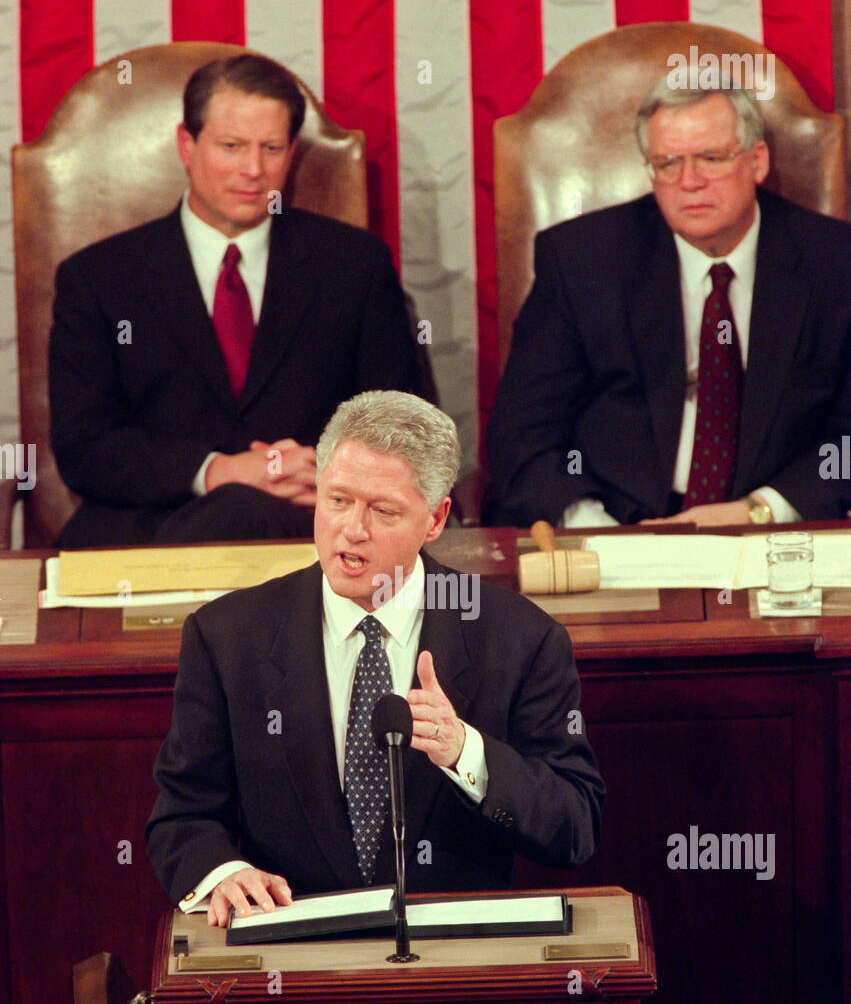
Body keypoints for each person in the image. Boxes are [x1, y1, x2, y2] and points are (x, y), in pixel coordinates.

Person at [146, 390, 604, 924]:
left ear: (435, 520)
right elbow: (181, 815)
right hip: (293, 962)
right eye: (337, 500)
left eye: (383, 510)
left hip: (456, 967)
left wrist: (466, 752)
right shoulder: (227, 637)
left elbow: (575, 825)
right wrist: (224, 872)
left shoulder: (520, 639)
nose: (352, 529)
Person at [49, 53, 422, 548]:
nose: (252, 169)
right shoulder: (98, 278)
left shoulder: (355, 266)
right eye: (232, 146)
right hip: (149, 531)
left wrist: (325, 471)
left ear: (291, 153)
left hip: (310, 532)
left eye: (271, 148)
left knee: (253, 517)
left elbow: (398, 420)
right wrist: (219, 472)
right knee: (234, 510)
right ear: (187, 144)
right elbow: (85, 446)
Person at [486, 71, 851, 529]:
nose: (690, 181)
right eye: (668, 163)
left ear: (757, 161)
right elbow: (522, 432)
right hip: (612, 521)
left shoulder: (834, 262)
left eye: (711, 158)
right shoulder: (582, 260)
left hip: (771, 526)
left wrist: (760, 511)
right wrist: (596, 530)